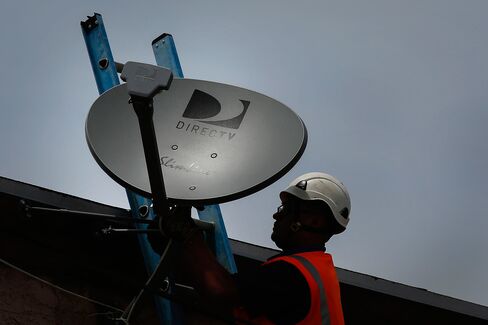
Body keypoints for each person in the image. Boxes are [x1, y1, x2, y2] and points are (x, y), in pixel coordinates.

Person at [155, 172, 351, 324]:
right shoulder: (317, 271)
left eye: (287, 209)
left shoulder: (293, 274)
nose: (277, 216)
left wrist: (188, 235)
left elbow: (220, 291)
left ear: (314, 221)